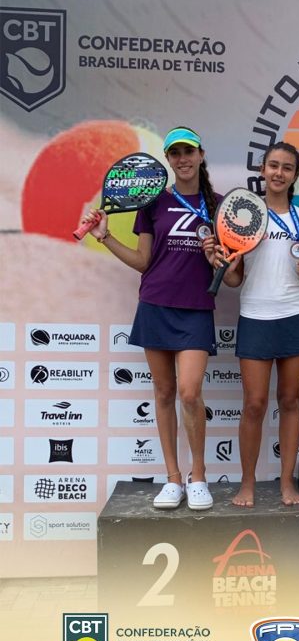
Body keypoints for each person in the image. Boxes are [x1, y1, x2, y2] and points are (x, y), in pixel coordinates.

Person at [79, 126, 219, 510]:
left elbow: (229, 267)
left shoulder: (219, 205)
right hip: (156, 304)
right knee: (164, 393)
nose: (183, 159)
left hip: (196, 309)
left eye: (188, 151)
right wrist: (105, 237)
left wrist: (217, 258)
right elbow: (143, 261)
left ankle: (198, 476)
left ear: (201, 155)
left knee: (189, 392)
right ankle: (173, 478)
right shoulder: (153, 202)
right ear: (169, 160)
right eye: (175, 153)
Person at [204, 142, 299, 507]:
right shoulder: (243, 216)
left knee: (290, 401)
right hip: (255, 316)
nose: (279, 173)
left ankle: (286, 481)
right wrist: (221, 265)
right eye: (273, 165)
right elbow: (234, 280)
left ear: (295, 175)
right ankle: (248, 483)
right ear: (262, 170)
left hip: (295, 315)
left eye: (287, 167)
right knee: (254, 404)